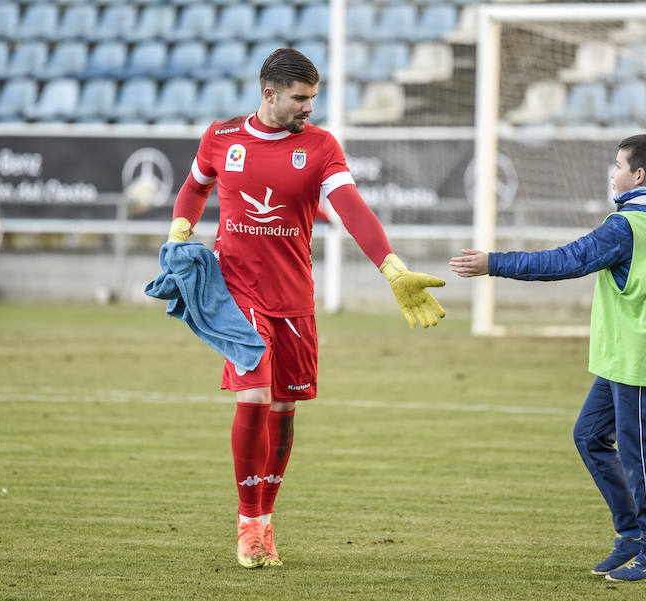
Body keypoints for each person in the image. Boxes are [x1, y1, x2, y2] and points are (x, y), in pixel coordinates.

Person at [164, 48, 446, 569]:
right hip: (237, 293)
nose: (309, 108)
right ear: (269, 94)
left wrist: (392, 268)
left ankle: (266, 521)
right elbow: (193, 187)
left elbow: (351, 207)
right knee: (253, 391)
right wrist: (179, 233)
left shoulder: (319, 147)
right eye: (300, 98)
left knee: (284, 410)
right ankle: (247, 522)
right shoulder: (221, 138)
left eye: (313, 98)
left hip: (293, 298)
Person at [449, 134, 646, 582]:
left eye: (618, 164)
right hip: (624, 358)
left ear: (638, 176)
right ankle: (630, 535)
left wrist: (495, 263)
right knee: (589, 436)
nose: (612, 172)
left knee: (641, 454)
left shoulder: (627, 225)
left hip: (637, 361)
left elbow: (567, 261)